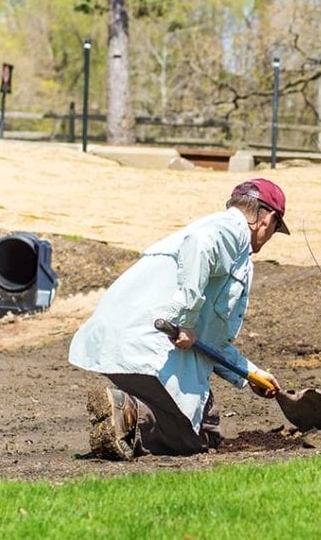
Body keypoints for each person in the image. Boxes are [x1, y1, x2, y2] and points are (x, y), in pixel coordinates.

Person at [69, 178, 289, 460]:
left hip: (119, 337)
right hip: (148, 344)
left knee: (206, 421)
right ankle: (130, 414)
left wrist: (249, 374)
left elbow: (210, 340)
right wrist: (185, 318)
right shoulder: (231, 230)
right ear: (268, 219)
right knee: (197, 438)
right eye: (274, 230)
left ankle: (125, 412)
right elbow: (199, 246)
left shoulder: (216, 229)